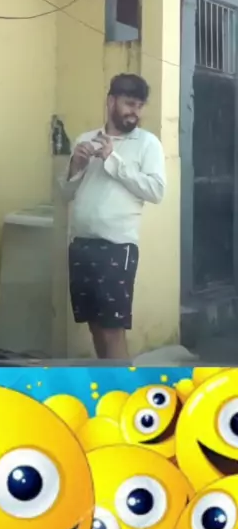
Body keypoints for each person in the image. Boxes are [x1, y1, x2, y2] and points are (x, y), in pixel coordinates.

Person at [60, 74, 166, 360]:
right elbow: (66, 193)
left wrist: (113, 160)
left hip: (117, 247)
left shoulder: (147, 144)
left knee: (112, 329)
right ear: (111, 102)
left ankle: (123, 384)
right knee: (94, 326)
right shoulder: (86, 140)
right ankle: (107, 381)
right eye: (129, 104)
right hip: (81, 244)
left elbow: (156, 191)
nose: (135, 112)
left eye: (139, 106)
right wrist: (75, 166)